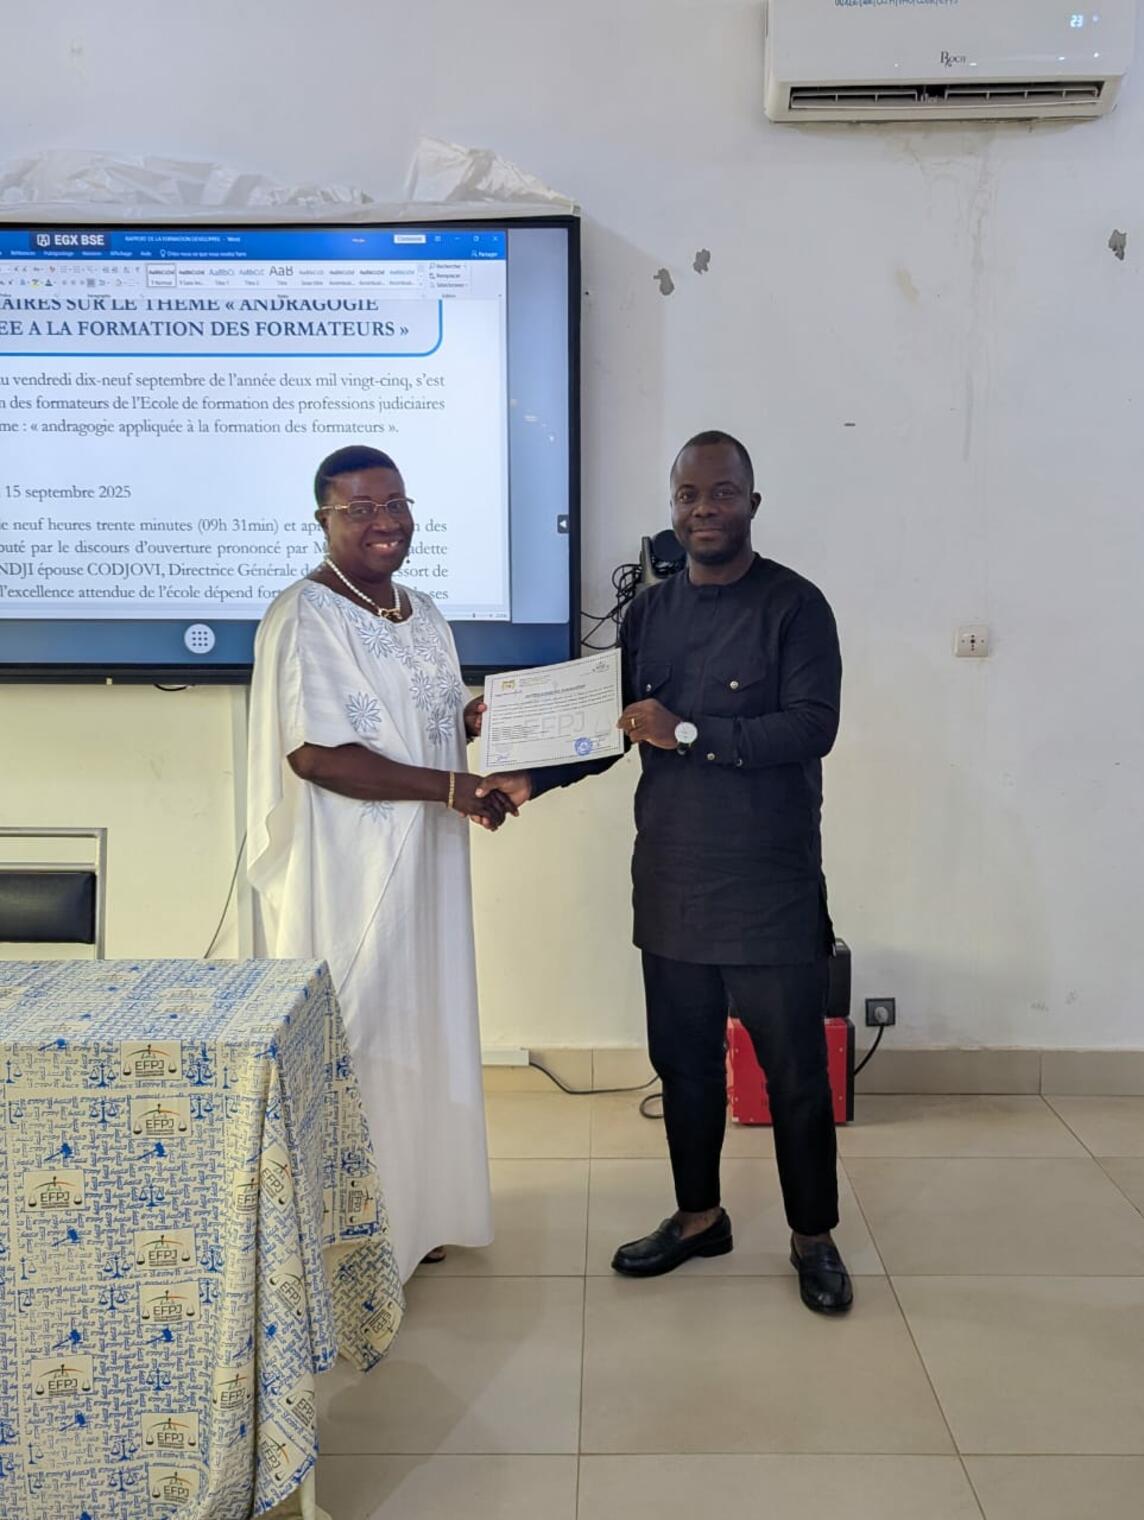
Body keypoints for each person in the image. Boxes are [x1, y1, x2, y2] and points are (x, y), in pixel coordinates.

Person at [480, 431, 852, 1314]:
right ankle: (698, 1218)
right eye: (688, 496)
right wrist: (529, 777)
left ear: (752, 503)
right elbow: (612, 728)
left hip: (770, 886)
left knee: (796, 1077)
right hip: (673, 880)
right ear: (673, 508)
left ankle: (813, 1236)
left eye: (721, 493)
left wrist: (687, 732)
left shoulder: (796, 606)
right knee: (681, 1066)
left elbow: (812, 727)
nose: (703, 510)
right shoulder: (650, 614)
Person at [247, 445, 512, 1282]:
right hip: (350, 874)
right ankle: (348, 1239)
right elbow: (316, 755)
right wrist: (451, 785)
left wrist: (472, 719)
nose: (384, 522)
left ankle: (416, 1211)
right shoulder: (306, 614)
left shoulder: (422, 611)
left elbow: (421, 719)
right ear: (322, 520)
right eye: (359, 509)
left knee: (424, 1028)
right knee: (361, 1035)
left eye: (395, 504)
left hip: (426, 863)